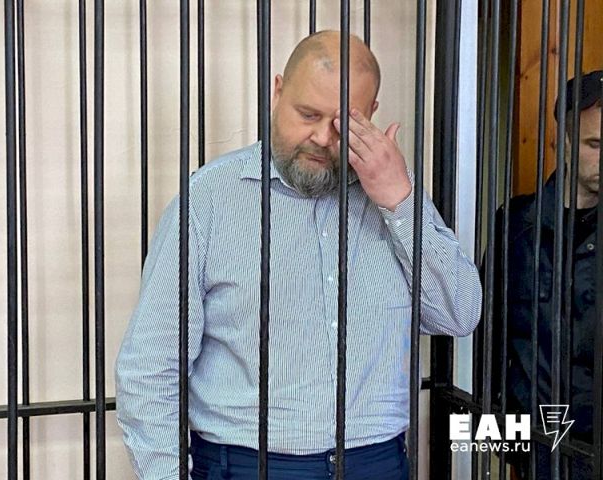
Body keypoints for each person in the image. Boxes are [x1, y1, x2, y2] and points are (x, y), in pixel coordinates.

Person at [116, 30, 482, 480]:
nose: (322, 137)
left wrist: (398, 201)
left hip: (377, 462)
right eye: (308, 114)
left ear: (371, 115)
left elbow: (458, 314)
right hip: (247, 464)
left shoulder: (396, 198)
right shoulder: (208, 200)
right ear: (277, 92)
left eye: (344, 122)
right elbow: (152, 365)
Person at [489, 70, 601, 480]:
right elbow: (487, 333)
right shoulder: (517, 225)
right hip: (538, 442)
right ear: (566, 143)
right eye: (595, 144)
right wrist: (501, 432)